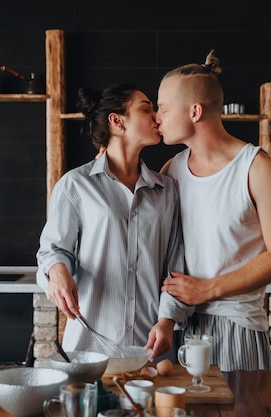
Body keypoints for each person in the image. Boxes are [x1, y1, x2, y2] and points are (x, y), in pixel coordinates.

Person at [156, 51, 271, 371]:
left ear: (195, 111)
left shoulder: (256, 167)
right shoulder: (172, 170)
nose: (156, 117)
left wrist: (208, 289)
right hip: (184, 329)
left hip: (239, 328)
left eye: (163, 108)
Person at [36, 83, 188, 361]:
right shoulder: (76, 185)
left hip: (150, 349)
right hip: (88, 351)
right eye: (146, 109)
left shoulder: (167, 191)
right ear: (117, 121)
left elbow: (176, 266)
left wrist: (167, 321)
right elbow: (52, 250)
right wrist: (57, 270)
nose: (157, 117)